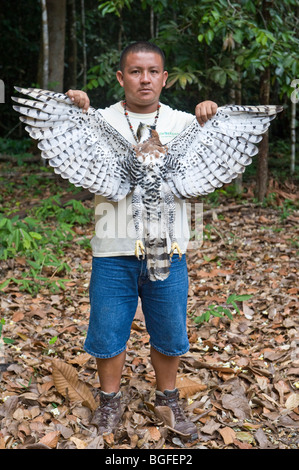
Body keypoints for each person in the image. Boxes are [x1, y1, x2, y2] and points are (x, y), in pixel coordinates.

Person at [66, 41, 217, 441]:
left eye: (152, 71)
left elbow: (200, 184)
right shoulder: (98, 119)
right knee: (108, 330)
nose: (144, 78)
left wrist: (211, 121)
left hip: (170, 248)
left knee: (169, 331)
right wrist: (73, 110)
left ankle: (168, 398)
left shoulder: (187, 123)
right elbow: (74, 146)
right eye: (135, 71)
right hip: (113, 249)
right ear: (121, 77)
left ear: (164, 78)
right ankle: (110, 400)